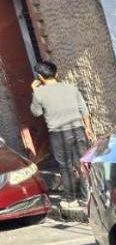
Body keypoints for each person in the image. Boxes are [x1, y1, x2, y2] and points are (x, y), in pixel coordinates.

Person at [28, 60, 93, 207]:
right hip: (78, 130)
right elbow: (84, 110)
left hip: (58, 134)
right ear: (56, 74)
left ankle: (70, 199)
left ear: (40, 77)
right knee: (82, 164)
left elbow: (36, 112)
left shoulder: (39, 93)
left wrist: (34, 91)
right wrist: (87, 128)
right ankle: (87, 197)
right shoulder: (71, 88)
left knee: (65, 166)